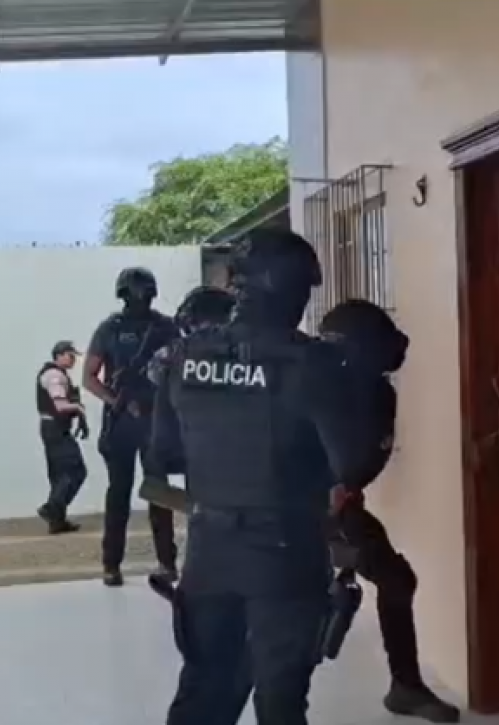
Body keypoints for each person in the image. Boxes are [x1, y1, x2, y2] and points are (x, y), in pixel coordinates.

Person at [148, 229, 378, 725]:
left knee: (204, 691)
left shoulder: (185, 357)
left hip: (209, 552)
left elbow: (164, 453)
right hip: (285, 553)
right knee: (280, 701)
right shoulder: (313, 364)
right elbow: (353, 463)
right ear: (289, 288)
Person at [319, 299, 461, 723]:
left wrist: (344, 490)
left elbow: (359, 458)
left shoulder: (369, 390)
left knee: (395, 580)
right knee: (290, 605)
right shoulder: (320, 387)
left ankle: (405, 687)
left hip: (335, 507)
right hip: (304, 509)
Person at [82, 267, 180, 587]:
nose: (142, 298)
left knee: (159, 494)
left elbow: (181, 369)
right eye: (139, 292)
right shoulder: (110, 328)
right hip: (122, 422)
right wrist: (117, 402)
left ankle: (167, 562)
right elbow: (89, 378)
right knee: (119, 496)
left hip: (155, 419)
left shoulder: (165, 327)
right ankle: (111, 564)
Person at [35, 340, 90, 535]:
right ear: (59, 355)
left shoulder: (57, 374)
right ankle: (52, 508)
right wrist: (79, 409)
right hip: (56, 428)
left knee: (60, 474)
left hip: (54, 428)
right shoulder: (54, 376)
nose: (73, 359)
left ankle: (57, 520)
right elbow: (60, 405)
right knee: (74, 471)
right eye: (69, 355)